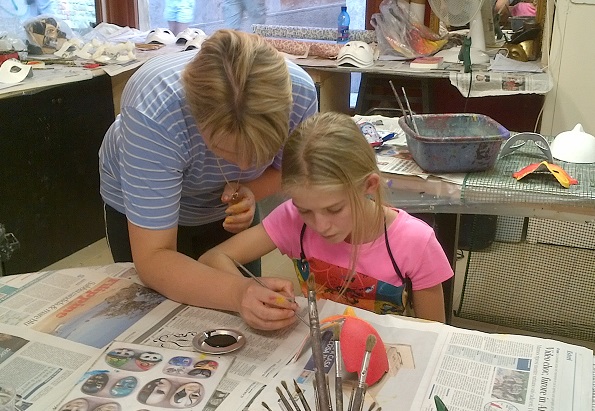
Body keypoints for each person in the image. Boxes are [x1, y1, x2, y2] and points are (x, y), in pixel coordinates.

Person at [99, 29, 318, 331]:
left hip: (223, 212)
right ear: (195, 118)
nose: (245, 166)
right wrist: (238, 292)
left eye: (262, 151)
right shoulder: (155, 110)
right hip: (143, 209)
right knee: (157, 317)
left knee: (243, 317)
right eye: (226, 151)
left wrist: (252, 189)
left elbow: (289, 171)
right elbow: (153, 258)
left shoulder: (301, 94)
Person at [199, 112, 454, 324]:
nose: (320, 226)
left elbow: (434, 334)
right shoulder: (292, 219)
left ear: (369, 185)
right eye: (305, 210)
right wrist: (249, 291)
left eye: (334, 209)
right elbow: (212, 258)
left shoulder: (415, 242)